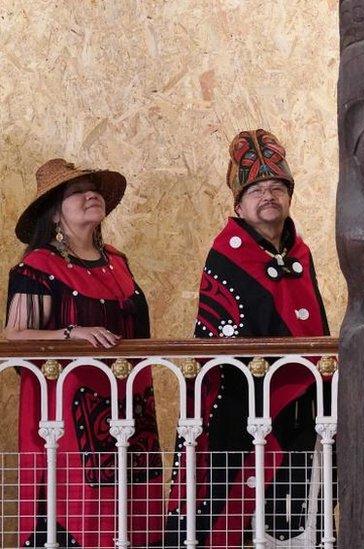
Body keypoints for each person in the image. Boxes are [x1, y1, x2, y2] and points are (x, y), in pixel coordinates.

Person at [165, 129, 330, 547]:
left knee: (292, 515)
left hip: (303, 406)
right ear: (238, 203)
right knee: (232, 515)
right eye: (257, 189)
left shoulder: (301, 253)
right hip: (240, 408)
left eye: (277, 187)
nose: (268, 196)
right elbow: (220, 342)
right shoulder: (226, 252)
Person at [4, 158, 162, 547]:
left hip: (131, 406)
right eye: (77, 192)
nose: (91, 195)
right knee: (79, 512)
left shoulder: (119, 261)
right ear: (55, 212)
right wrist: (72, 333)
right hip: (69, 412)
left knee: (137, 511)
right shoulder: (37, 266)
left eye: (94, 189)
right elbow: (13, 338)